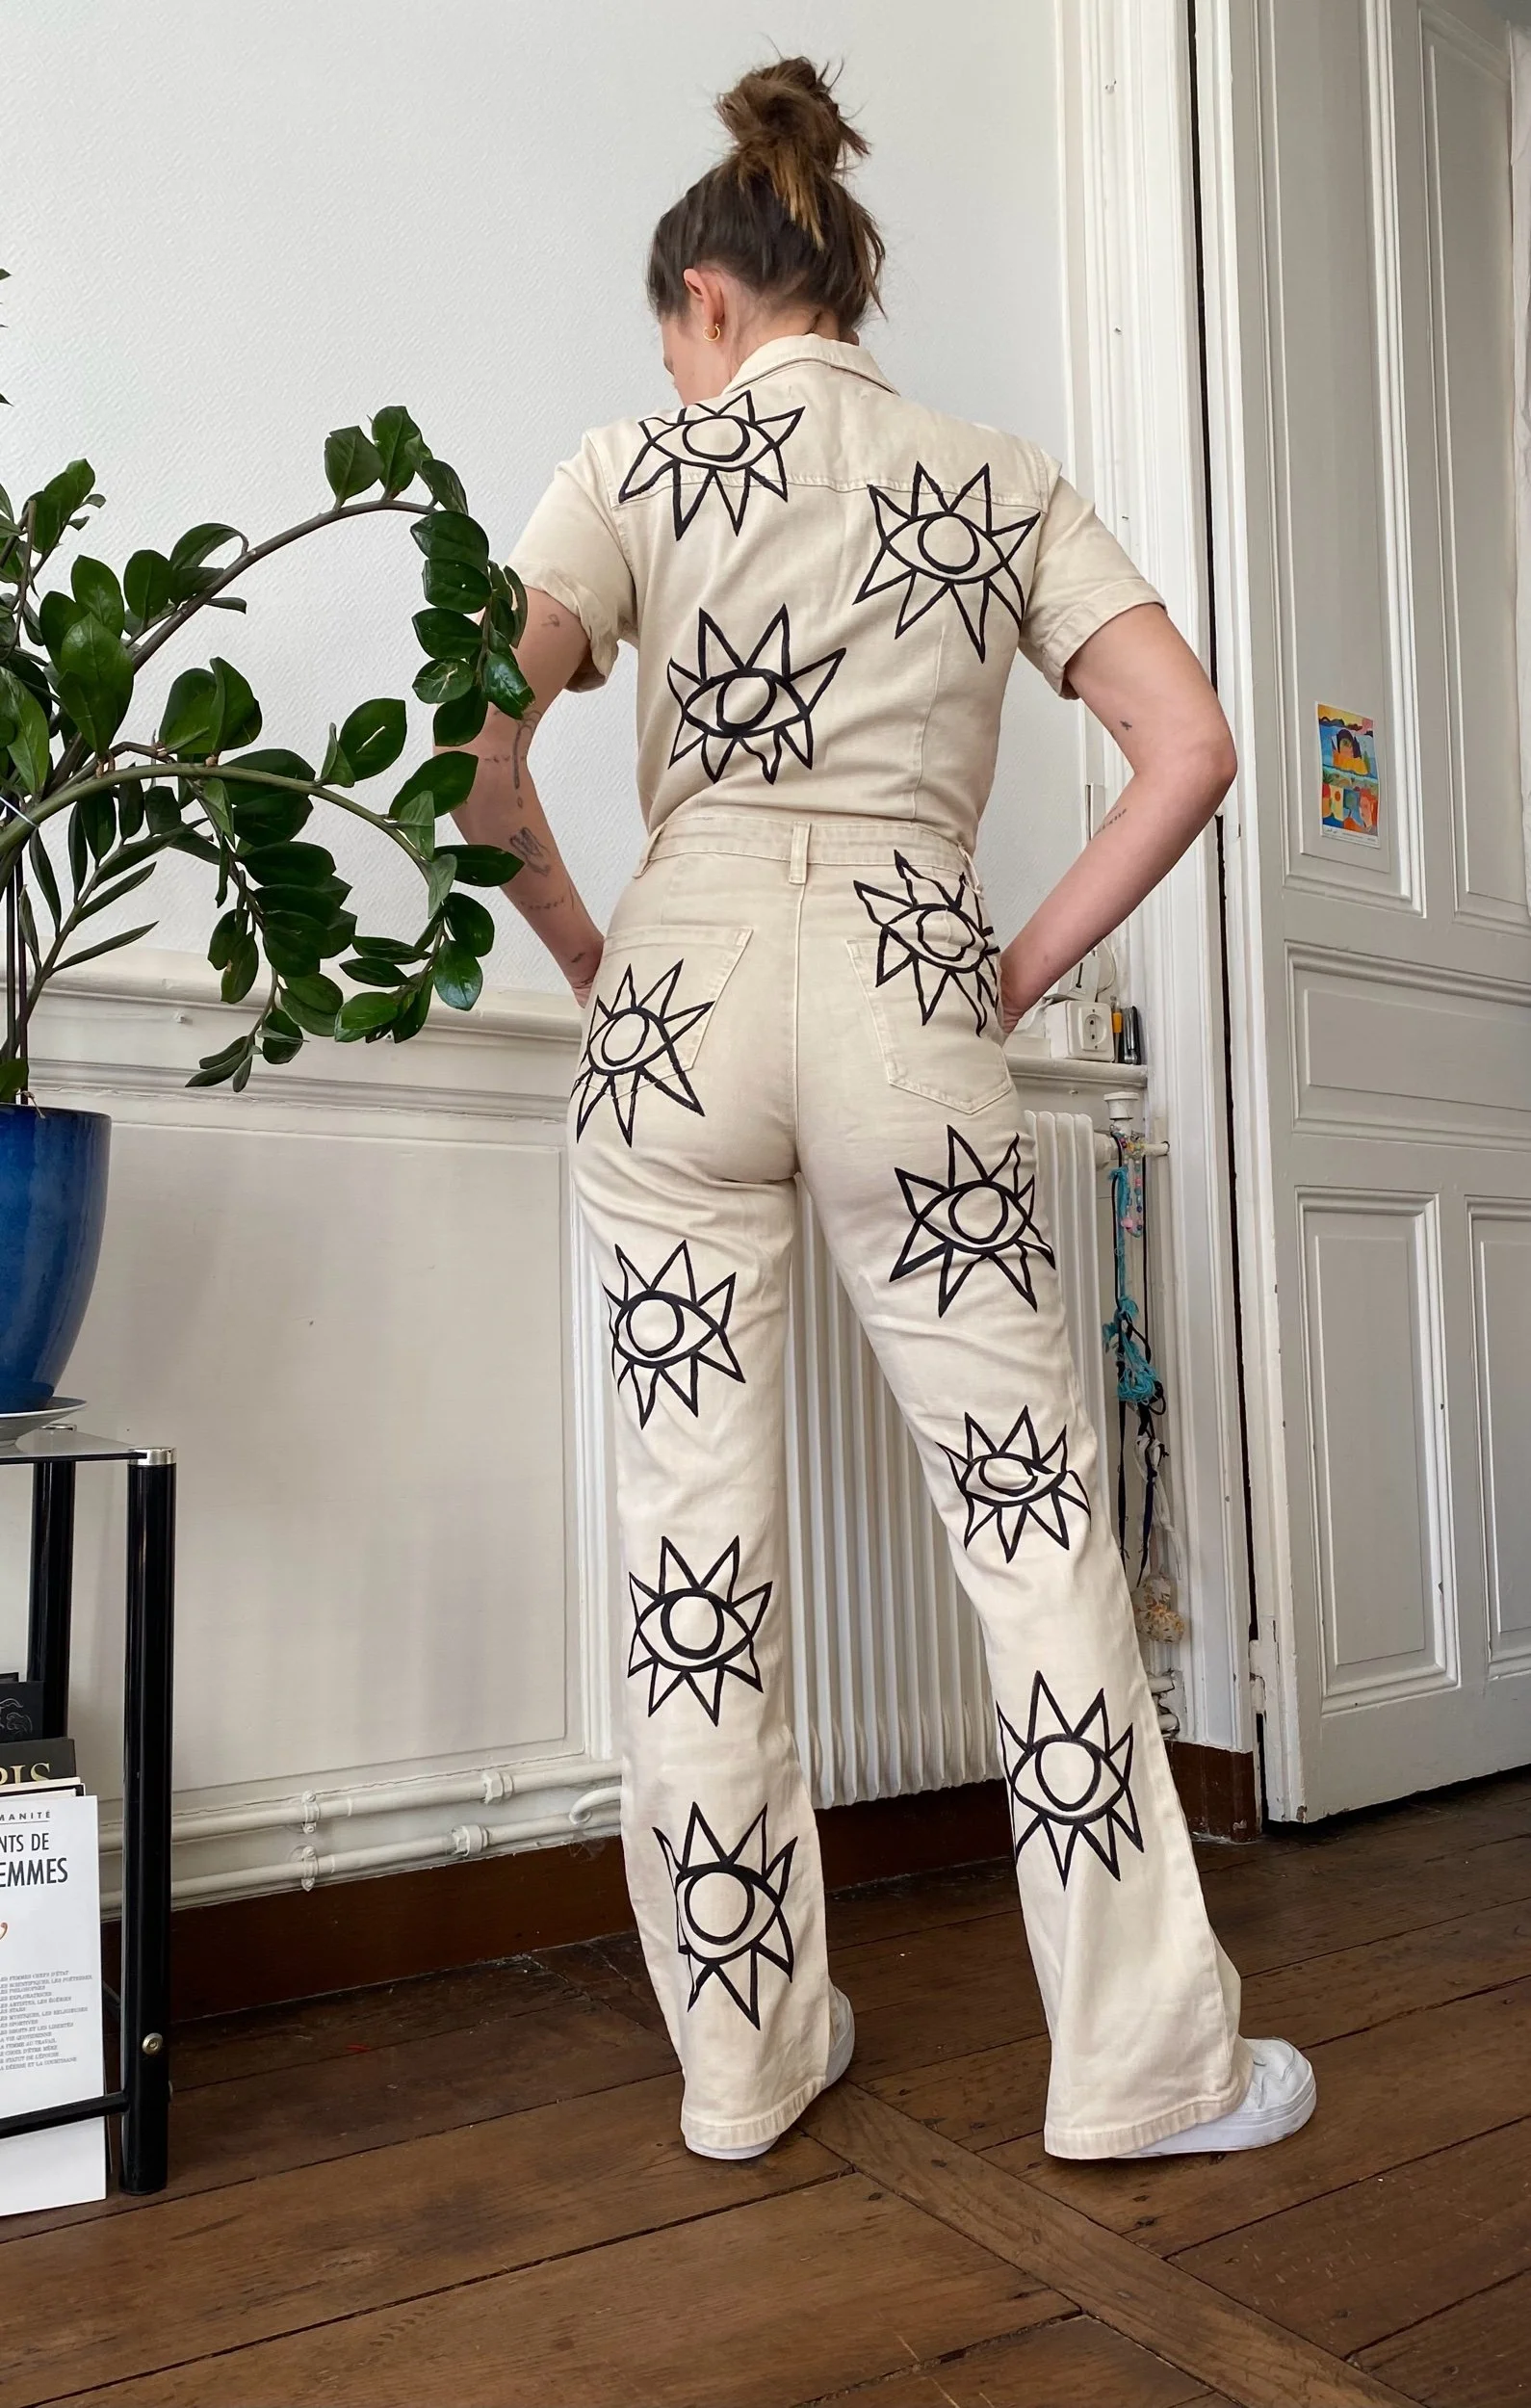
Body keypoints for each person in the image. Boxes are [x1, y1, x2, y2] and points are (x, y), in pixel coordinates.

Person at [452, 57, 1316, 2165]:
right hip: (918, 989)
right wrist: (1011, 967)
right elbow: (1186, 746)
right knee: (1036, 1535)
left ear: (710, 307)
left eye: (675, 337)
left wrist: (603, 960)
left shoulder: (631, 466)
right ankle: (1142, 2061)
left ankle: (743, 2064)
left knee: (694, 1557)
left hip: (679, 990)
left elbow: (476, 772)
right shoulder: (992, 473)